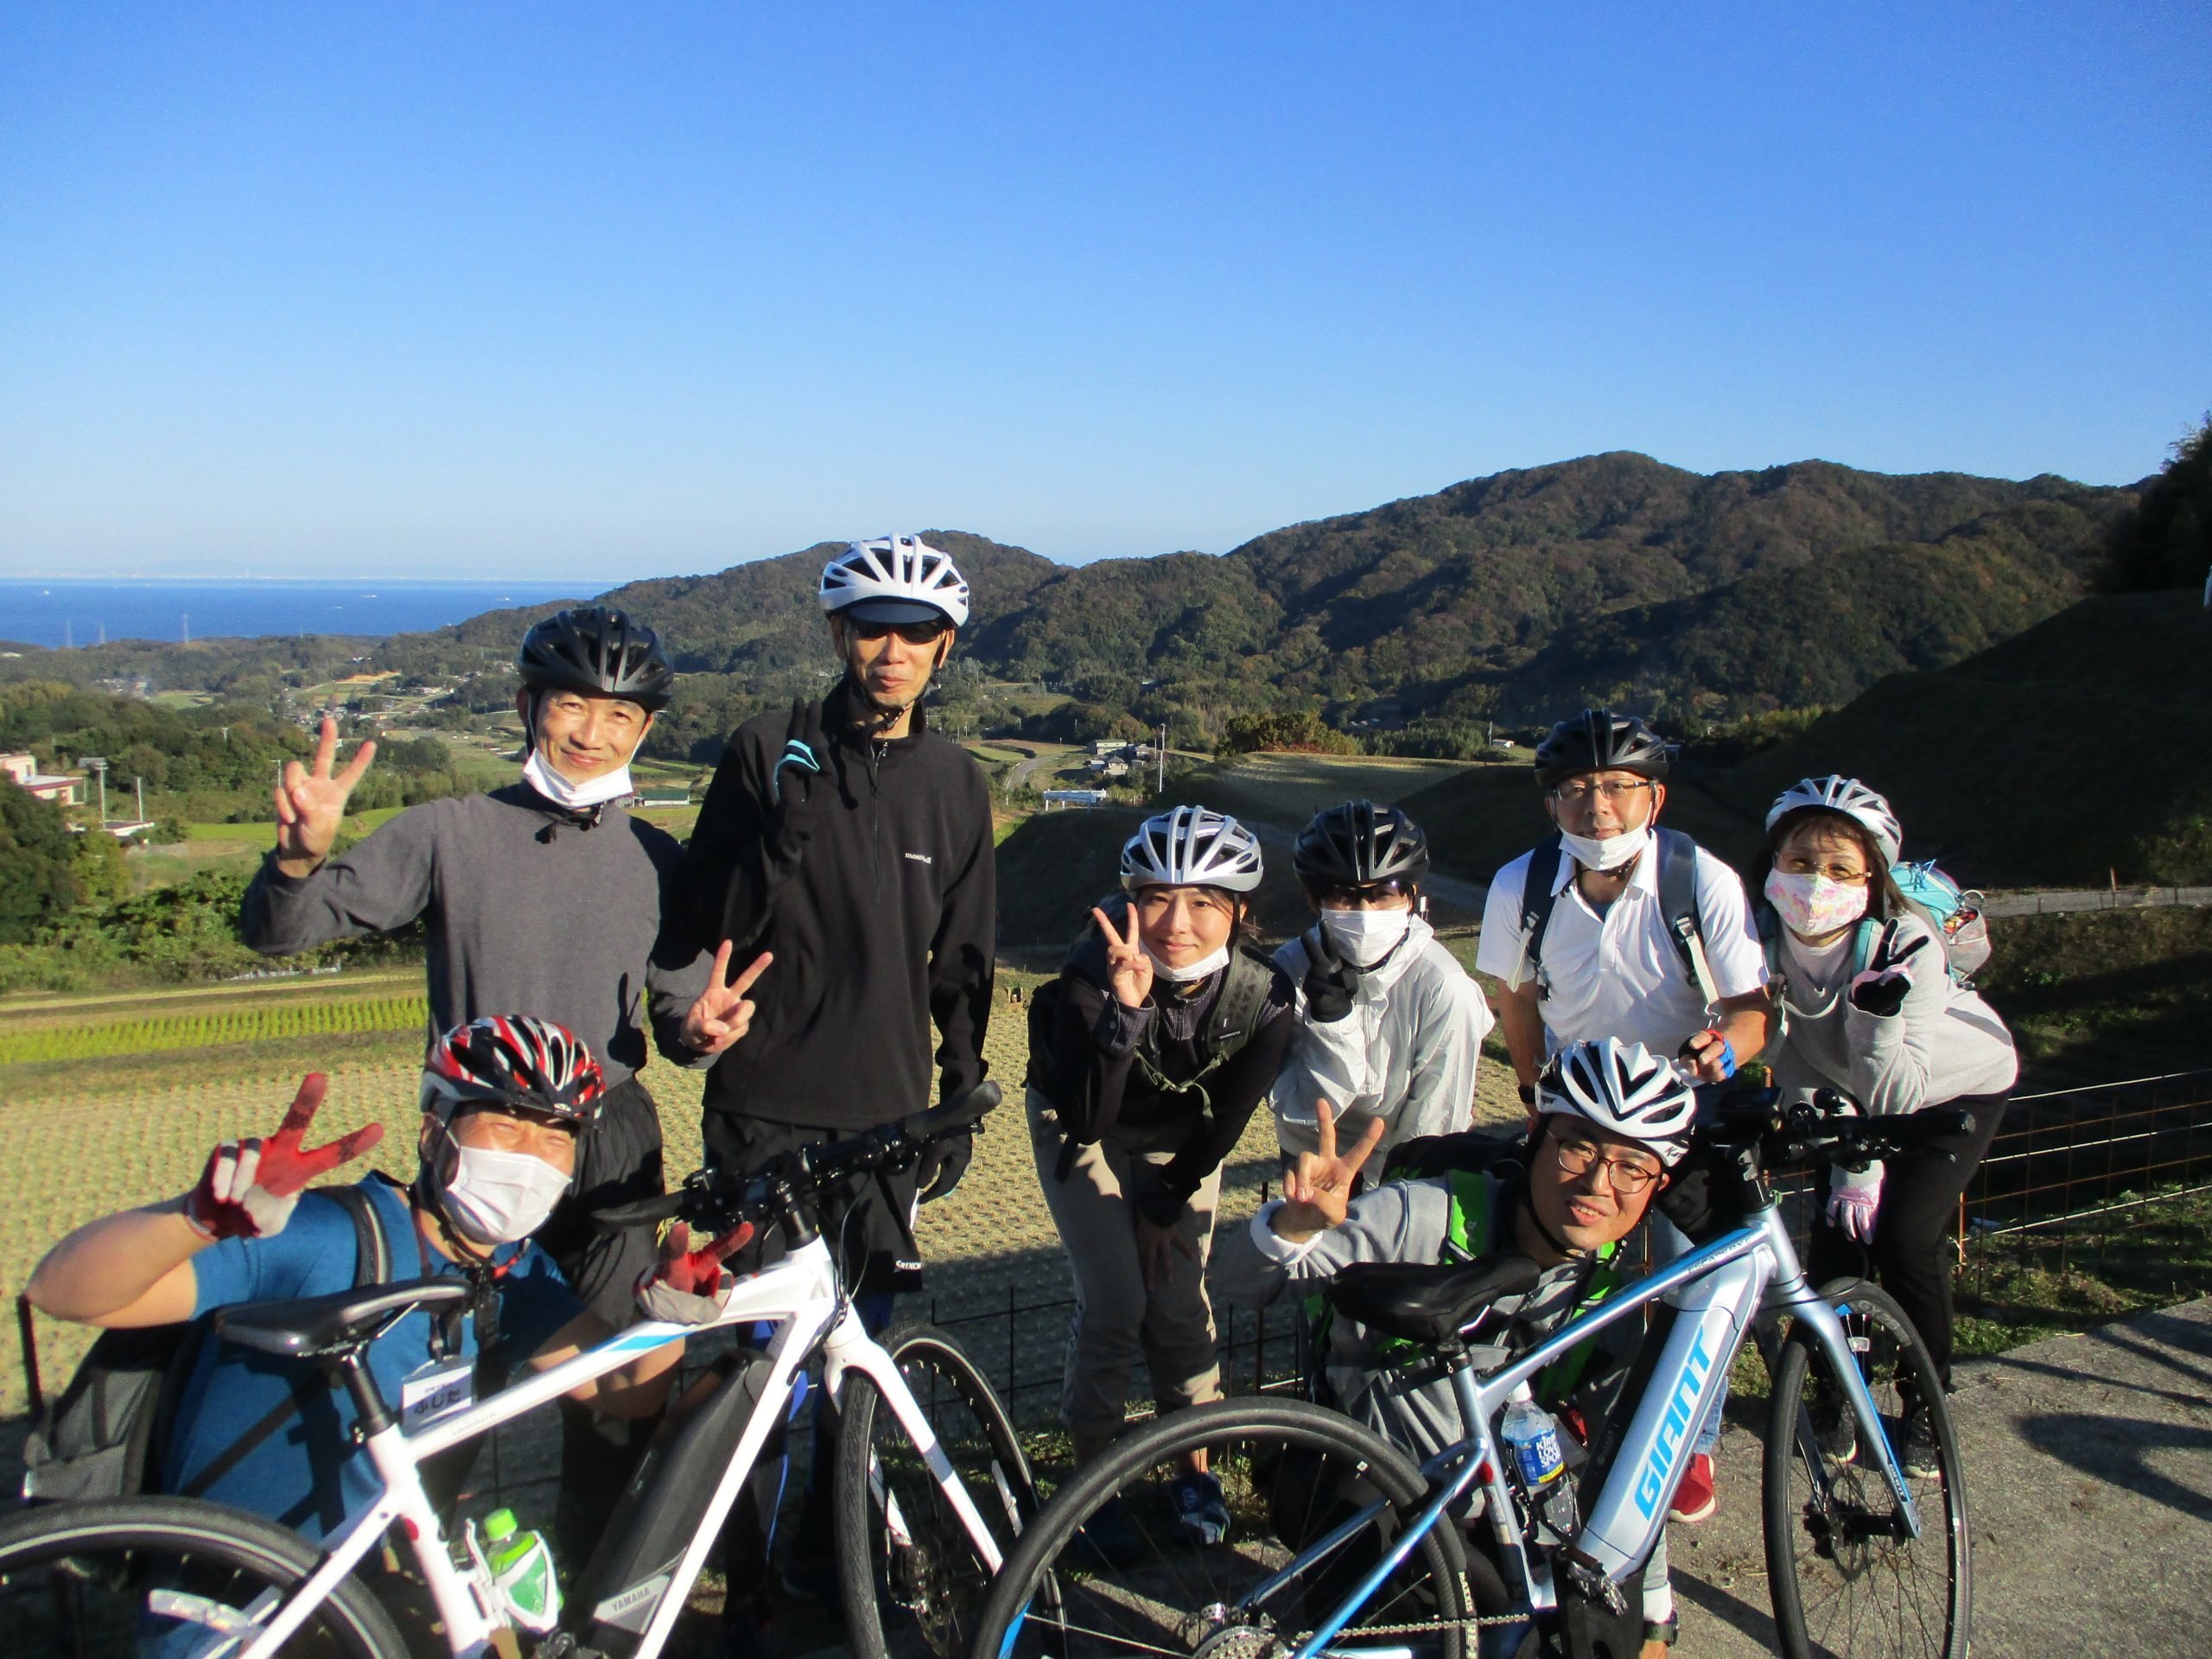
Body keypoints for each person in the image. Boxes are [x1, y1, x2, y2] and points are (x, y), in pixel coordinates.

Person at [236, 606, 743, 1556]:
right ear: (527, 707)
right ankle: (409, 1581)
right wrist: (298, 862)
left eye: (621, 716)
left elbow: (677, 1021)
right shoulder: (448, 833)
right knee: (444, 1380)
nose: (593, 735)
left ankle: (592, 1583)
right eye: (572, 707)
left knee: (631, 1370)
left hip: (608, 1140)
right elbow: (286, 931)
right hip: (477, 1136)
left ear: (646, 731)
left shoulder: (659, 858)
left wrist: (703, 1031)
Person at [22, 1016, 745, 1543]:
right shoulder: (327, 1237)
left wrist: (668, 1319)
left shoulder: (509, 1271)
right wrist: (197, 1221)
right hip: (240, 1593)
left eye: (557, 1136)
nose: (534, 1157)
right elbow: (64, 1293)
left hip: (379, 1583)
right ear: (435, 1134)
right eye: (508, 1125)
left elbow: (621, 1395)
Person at [676, 534, 996, 1618]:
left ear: (943, 649)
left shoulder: (956, 782)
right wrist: (781, 839)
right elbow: (704, 927)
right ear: (835, 636)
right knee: (750, 1366)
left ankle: (844, 1569)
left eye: (916, 634)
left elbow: (964, 957)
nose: (891, 652)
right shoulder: (765, 751)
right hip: (762, 1108)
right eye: (872, 629)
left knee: (862, 1363)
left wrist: (956, 1093)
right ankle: (756, 1597)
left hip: (888, 1118)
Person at [1216, 1038, 1698, 1657]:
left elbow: (1625, 1468)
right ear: (1535, 1132)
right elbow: (1237, 1282)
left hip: (1500, 1512)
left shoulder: (1612, 1297)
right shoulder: (1425, 1215)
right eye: (1577, 1147)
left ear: (1657, 1183)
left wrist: (1653, 1615)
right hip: (1369, 1487)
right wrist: (1296, 1226)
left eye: (1632, 1166)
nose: (1599, 1184)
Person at [1475, 708, 1771, 1525]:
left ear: (1655, 797)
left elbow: (1752, 1007)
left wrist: (1728, 1050)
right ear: (1551, 804)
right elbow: (1519, 1000)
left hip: (1682, 1105)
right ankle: (1565, 1412)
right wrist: (1536, 1098)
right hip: (1576, 1107)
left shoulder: (1698, 880)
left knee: (1687, 1276)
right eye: (1574, 790)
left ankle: (1691, 1440)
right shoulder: (1522, 884)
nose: (1595, 807)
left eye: (1617, 787)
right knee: (1558, 1266)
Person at [1027, 804, 1295, 1550]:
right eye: (1155, 899)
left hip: (1181, 1142)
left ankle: (1195, 1474)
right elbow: (1085, 1118)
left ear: (1238, 911)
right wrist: (1127, 1010)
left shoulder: (1265, 997)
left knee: (1178, 1304)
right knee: (1114, 1303)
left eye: (1204, 902)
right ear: (1130, 902)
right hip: (1081, 1116)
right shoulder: (1090, 971)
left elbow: (1227, 1121)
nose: (1177, 922)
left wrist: (1164, 1203)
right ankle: (1092, 1486)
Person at [1752, 776, 2016, 1467]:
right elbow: (1792, 1058)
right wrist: (1826, 1137)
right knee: (1834, 1251)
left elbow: (1897, 1096)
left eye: (1841, 868)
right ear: (1773, 863)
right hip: (1854, 1091)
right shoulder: (1760, 940)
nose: (1816, 883)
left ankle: (1926, 1402)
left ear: (1873, 878)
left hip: (1951, 1092)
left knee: (1905, 1240)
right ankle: (1836, 1398)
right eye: (1800, 862)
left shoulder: (1906, 946)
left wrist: (1873, 1020)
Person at [1271, 799, 1493, 1166]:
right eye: (1343, 895)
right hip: (1311, 1156)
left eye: (1384, 892)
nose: (1365, 912)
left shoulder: (1444, 986)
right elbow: (1297, 1106)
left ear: (1410, 897)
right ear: (1314, 900)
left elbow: (1437, 1117)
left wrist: (1397, 1190)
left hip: (1397, 1163)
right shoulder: (1290, 968)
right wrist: (1332, 1027)